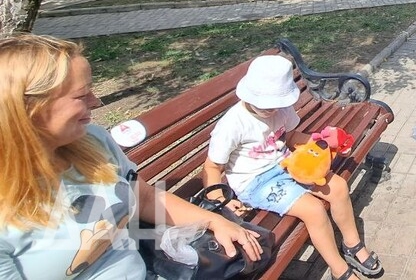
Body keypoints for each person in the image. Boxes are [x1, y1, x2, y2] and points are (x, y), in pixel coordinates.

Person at [0, 34, 262, 279]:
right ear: (28, 109)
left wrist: (215, 220)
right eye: (81, 95)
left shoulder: (92, 140)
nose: (95, 102)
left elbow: (144, 196)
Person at [204, 55, 382, 280]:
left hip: (287, 163)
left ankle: (352, 245)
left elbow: (291, 136)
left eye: (276, 103)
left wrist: (323, 146)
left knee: (337, 186)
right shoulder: (233, 124)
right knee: (314, 210)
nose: (271, 109)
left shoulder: (281, 109)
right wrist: (221, 202)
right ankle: (340, 270)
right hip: (256, 182)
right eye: (266, 103)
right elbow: (212, 167)